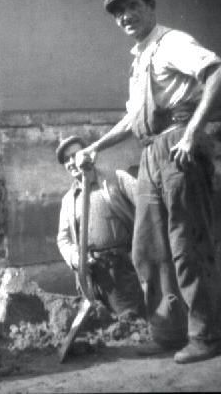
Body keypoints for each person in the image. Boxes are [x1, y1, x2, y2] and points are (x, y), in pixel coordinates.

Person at [76, 0, 221, 364]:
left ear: (150, 6)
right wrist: (95, 148)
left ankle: (208, 335)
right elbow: (135, 119)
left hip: (178, 148)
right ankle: (168, 332)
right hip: (151, 154)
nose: (126, 17)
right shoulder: (140, 57)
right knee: (148, 248)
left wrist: (193, 132)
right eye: (118, 13)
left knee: (186, 246)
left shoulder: (173, 43)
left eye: (132, 7)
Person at [56, 136, 144, 319]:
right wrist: (76, 259)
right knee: (99, 328)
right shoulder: (68, 200)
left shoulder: (116, 179)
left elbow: (146, 204)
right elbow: (63, 239)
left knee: (130, 322)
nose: (71, 162)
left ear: (89, 154)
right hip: (89, 275)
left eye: (75, 155)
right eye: (66, 159)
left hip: (120, 271)